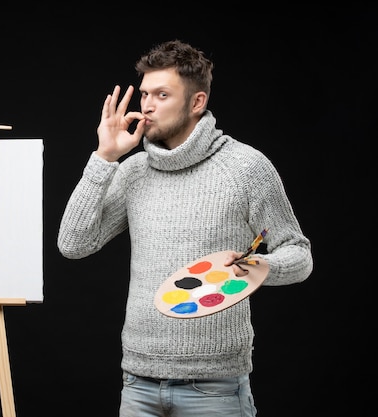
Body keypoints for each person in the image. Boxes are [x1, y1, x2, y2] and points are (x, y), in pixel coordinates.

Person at [56, 39, 313, 417]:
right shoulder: (133, 171)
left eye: (162, 94)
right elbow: (73, 244)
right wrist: (104, 157)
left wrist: (257, 268)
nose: (147, 105)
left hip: (215, 390)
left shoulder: (245, 168)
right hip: (137, 384)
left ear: (197, 102)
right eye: (145, 94)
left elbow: (299, 254)